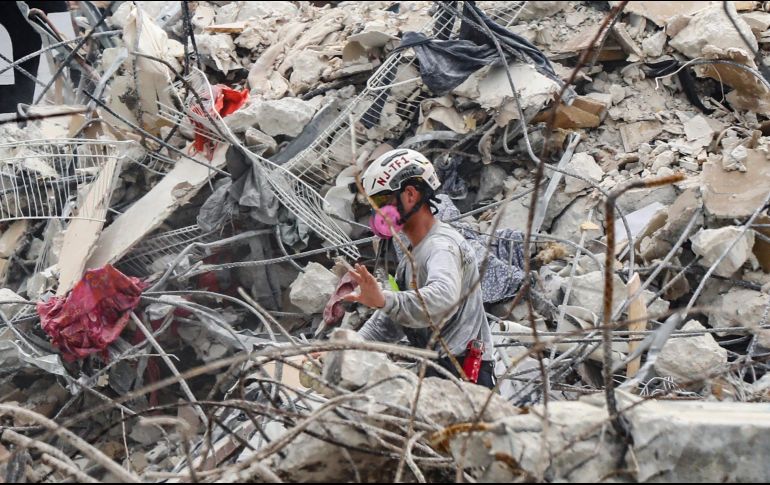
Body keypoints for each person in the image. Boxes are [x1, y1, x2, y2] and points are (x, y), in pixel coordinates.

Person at [342, 148, 496, 389]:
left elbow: (444, 296)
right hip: (438, 370)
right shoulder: (412, 253)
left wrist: (384, 300)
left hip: (464, 374)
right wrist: (345, 351)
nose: (377, 213)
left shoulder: (441, 246)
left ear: (410, 195)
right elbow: (390, 322)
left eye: (382, 201)